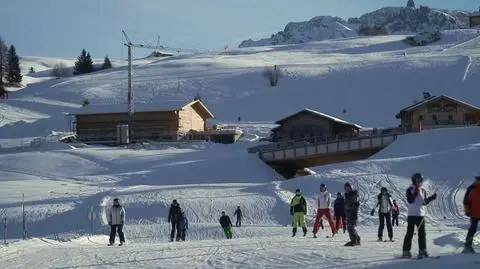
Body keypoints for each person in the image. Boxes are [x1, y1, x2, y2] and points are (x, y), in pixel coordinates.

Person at [402, 173, 437, 258]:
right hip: (412, 215)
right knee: (409, 233)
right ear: (414, 181)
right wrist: (415, 191)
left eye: (421, 181)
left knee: (422, 234)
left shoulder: (423, 190)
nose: (420, 182)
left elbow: (424, 203)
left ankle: (422, 250)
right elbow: (410, 200)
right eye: (418, 181)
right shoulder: (410, 189)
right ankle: (406, 251)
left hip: (420, 215)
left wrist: (432, 198)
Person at [462, 175, 480, 254]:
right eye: (478, 179)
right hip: (474, 213)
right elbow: (466, 201)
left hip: (475, 212)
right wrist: (467, 211)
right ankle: (468, 245)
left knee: (473, 229)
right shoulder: (471, 188)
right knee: (473, 229)